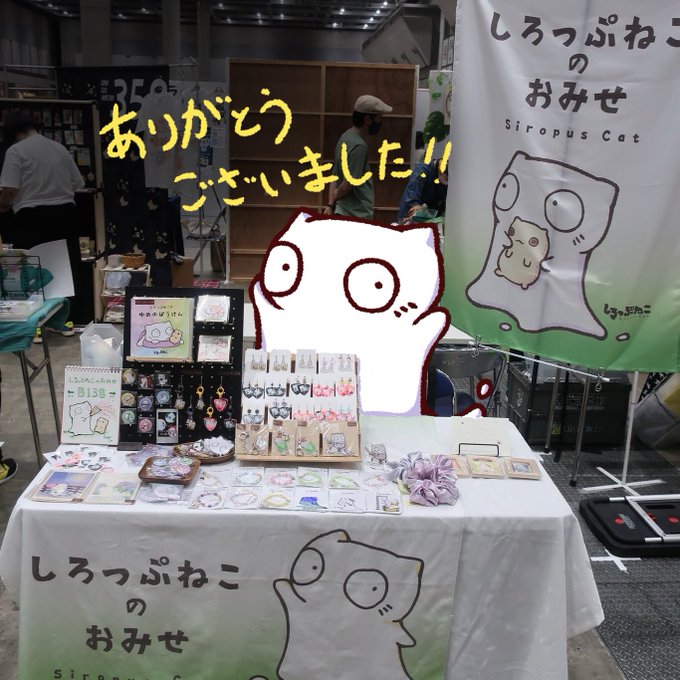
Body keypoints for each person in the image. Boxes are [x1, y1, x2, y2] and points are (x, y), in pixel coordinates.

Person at [0, 112, 84, 339]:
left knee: (32, 268)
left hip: (32, 216)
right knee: (65, 269)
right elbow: (78, 183)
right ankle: (65, 321)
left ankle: (36, 325)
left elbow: (10, 188)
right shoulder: (59, 148)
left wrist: (4, 206)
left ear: (14, 133)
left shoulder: (16, 151)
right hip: (65, 214)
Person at [323, 94, 392, 220]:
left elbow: (335, 177)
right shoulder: (359, 146)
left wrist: (330, 204)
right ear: (367, 119)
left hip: (343, 211)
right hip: (355, 213)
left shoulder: (344, 137)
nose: (380, 122)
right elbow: (348, 184)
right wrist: (333, 198)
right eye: (379, 118)